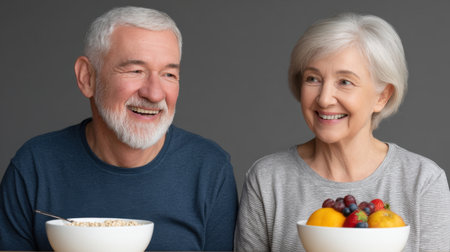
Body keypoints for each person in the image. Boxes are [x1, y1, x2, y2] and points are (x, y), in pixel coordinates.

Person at [0, 6, 238, 251]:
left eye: (168, 74)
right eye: (136, 71)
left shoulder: (209, 168)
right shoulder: (35, 165)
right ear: (87, 78)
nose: (155, 93)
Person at [234, 13, 450, 252]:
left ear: (382, 96)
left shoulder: (423, 182)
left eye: (345, 82)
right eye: (313, 78)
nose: (324, 99)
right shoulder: (267, 180)